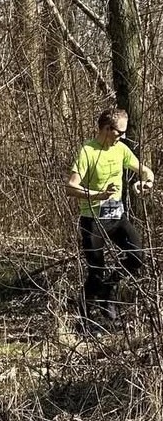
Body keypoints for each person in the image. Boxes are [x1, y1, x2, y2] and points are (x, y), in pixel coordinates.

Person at [65, 107, 154, 334]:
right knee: (96, 271)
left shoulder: (121, 149)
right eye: (119, 132)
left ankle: (108, 292)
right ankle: (84, 321)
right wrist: (98, 195)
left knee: (137, 257)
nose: (122, 136)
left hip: (116, 216)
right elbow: (71, 187)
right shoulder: (88, 151)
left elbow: (146, 171)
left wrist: (145, 183)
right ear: (106, 128)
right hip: (92, 217)